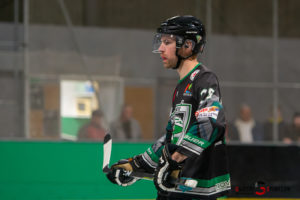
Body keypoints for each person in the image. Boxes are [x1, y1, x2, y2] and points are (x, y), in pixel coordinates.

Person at [105, 15, 230, 199]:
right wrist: (136, 165)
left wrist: (174, 160)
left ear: (187, 46)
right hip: (174, 190)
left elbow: (211, 122)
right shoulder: (181, 87)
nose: (161, 48)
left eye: (167, 42)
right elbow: (172, 137)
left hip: (195, 191)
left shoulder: (204, 79)